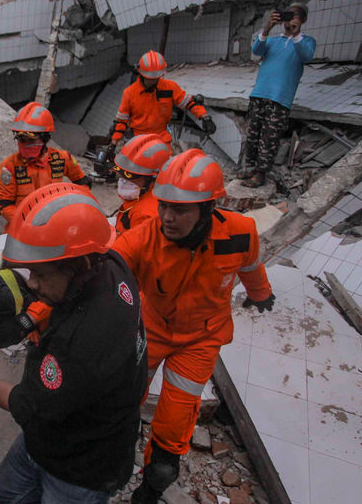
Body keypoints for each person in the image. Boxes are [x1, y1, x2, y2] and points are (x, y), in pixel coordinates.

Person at [0, 183, 148, 503]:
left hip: (81, 468)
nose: (32, 284)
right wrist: (2, 258)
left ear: (78, 267)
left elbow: (26, 405)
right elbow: (59, 262)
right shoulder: (112, 264)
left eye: (39, 275)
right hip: (49, 438)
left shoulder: (80, 348)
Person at [109, 149, 275, 503]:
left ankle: (152, 486)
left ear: (208, 208)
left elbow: (251, 266)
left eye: (180, 209)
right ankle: (110, 462)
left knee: (173, 427)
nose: (166, 217)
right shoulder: (143, 237)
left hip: (201, 340)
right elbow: (102, 273)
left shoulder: (241, 233)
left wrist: (261, 294)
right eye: (164, 205)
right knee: (121, 401)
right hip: (150, 330)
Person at [97, 50, 216, 177]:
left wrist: (204, 117)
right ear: (141, 74)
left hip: (161, 137)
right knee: (135, 174)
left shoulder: (169, 87)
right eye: (150, 79)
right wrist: (112, 146)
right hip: (138, 139)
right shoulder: (130, 93)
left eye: (156, 78)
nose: (154, 82)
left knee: (166, 172)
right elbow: (121, 122)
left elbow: (189, 103)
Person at [241, 3, 316, 187]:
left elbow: (306, 56)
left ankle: (260, 174)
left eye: (295, 15)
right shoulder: (273, 41)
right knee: (252, 134)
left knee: (269, 137)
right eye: (288, 14)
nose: (290, 19)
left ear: (303, 19)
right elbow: (257, 49)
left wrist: (296, 33)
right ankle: (248, 169)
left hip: (280, 99)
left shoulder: (306, 41)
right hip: (259, 94)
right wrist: (267, 27)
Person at [0, 102, 92, 230]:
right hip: (23, 228)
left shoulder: (62, 159)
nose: (26, 145)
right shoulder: (9, 167)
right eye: (22, 140)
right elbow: (5, 206)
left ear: (45, 139)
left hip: (56, 223)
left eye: (32, 141)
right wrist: (29, 225)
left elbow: (82, 184)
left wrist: (77, 210)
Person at [113, 133, 172, 234]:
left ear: (152, 178)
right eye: (121, 174)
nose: (123, 181)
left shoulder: (145, 215)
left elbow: (133, 248)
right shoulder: (141, 195)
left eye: (130, 176)